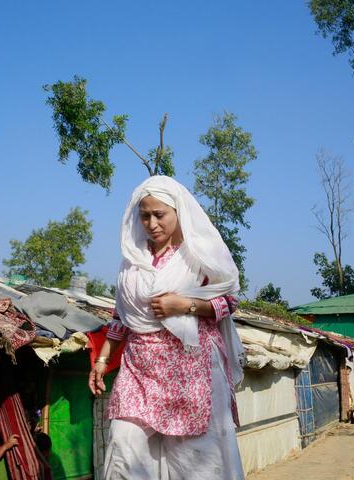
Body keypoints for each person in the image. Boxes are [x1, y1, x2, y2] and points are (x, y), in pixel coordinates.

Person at [88, 175, 246, 479]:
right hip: (140, 366)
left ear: (178, 212)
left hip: (190, 367)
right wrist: (103, 359)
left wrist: (185, 305)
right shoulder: (133, 260)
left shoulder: (198, 255)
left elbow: (229, 302)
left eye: (159, 215)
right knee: (124, 445)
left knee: (193, 458)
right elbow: (123, 314)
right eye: (144, 215)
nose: (151, 223)